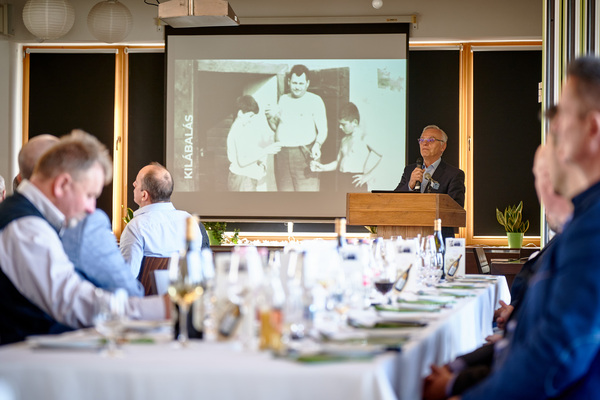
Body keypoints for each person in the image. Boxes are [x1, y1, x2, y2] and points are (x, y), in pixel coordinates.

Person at [450, 56, 600, 400]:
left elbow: (560, 351)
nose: (555, 126)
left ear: (592, 128)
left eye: (561, 113)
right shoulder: (585, 217)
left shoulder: (592, 226)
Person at [422, 138, 577, 400]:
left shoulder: (579, 247)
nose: (543, 190)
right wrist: (457, 368)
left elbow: (547, 357)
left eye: (546, 178)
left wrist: (455, 384)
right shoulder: (566, 241)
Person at [0, 130, 168, 345]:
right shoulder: (25, 227)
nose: (91, 209)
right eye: (89, 195)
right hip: (23, 363)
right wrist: (162, 308)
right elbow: (71, 301)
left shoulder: (27, 216)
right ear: (61, 185)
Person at [17, 134, 144, 297]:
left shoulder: (14, 215)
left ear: (20, 178)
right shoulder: (87, 223)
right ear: (62, 180)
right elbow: (129, 292)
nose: (91, 207)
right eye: (90, 195)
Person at [120, 162, 208, 278]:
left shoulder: (136, 227)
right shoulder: (189, 221)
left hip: (147, 296)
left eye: (136, 184)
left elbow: (127, 278)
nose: (133, 184)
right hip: (186, 293)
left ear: (144, 195)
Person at [265, 64, 328, 191]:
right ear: (289, 82)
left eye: (301, 83)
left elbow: (323, 129)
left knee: (307, 197)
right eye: (294, 83)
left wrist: (318, 145)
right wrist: (269, 118)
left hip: (304, 154)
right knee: (285, 196)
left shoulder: (315, 100)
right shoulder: (283, 99)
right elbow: (276, 127)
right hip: (282, 154)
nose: (297, 87)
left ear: (307, 83)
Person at [394, 125, 465, 237]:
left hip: (439, 237)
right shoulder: (409, 170)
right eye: (422, 140)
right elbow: (394, 200)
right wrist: (410, 185)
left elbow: (456, 209)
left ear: (443, 146)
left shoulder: (454, 174)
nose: (424, 143)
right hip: (409, 236)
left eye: (431, 140)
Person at [310, 102, 382, 191]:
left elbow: (386, 158)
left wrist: (367, 176)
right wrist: (322, 167)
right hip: (342, 178)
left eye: (343, 124)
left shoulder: (365, 138)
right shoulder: (344, 140)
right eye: (339, 124)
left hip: (356, 180)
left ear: (354, 122)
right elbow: (338, 162)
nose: (340, 127)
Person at [227, 95, 282, 191]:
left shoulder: (240, 128)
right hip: (243, 179)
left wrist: (258, 162)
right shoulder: (238, 131)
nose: (251, 120)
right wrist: (266, 151)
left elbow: (246, 153)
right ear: (240, 113)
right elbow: (243, 162)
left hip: (244, 177)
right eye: (250, 116)